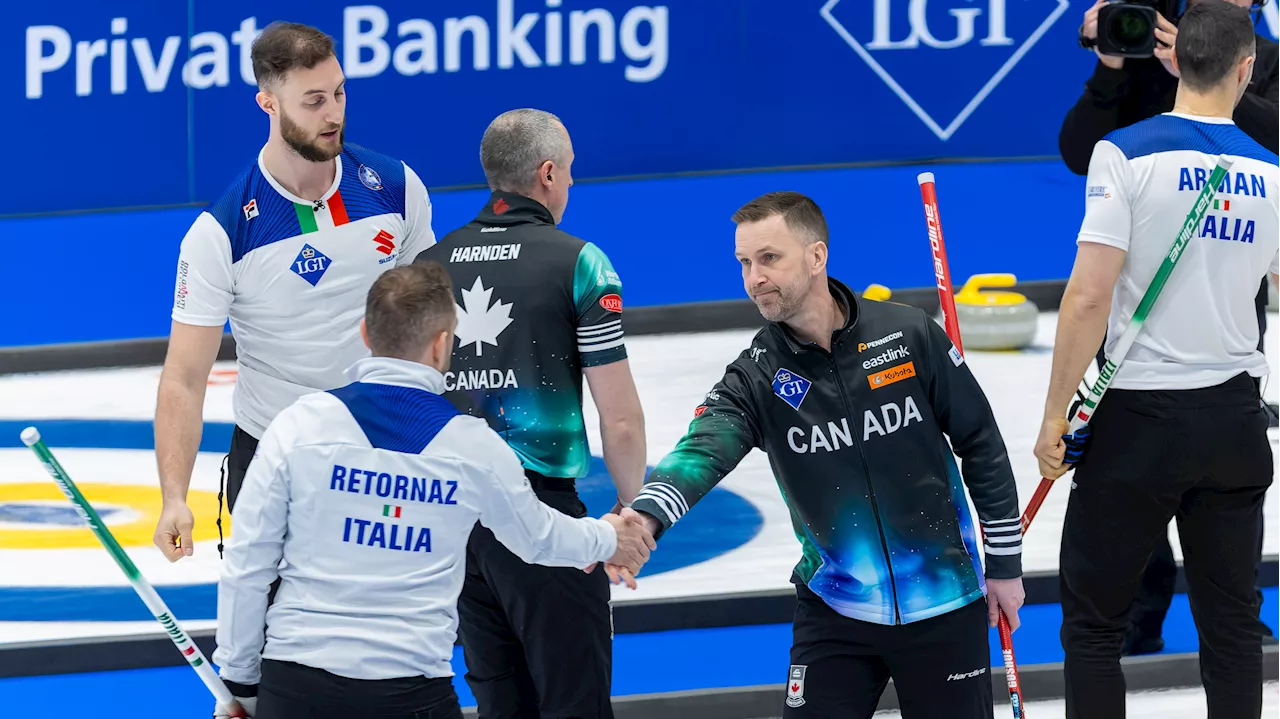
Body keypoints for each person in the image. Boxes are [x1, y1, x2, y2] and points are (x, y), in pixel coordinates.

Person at [620, 191, 1025, 718]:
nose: (753, 278)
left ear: (816, 256)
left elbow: (983, 445)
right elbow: (703, 451)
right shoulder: (756, 376)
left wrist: (1006, 566)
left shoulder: (908, 333)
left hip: (945, 600)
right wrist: (646, 518)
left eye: (769, 258)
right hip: (835, 608)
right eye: (744, 262)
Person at [211, 262, 655, 719]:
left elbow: (248, 564)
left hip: (296, 686)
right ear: (443, 343)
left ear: (365, 332)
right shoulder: (473, 445)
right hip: (410, 695)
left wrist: (240, 684)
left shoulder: (296, 426)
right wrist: (610, 538)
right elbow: (538, 539)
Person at [1035, 3, 1280, 716]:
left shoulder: (1126, 152)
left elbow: (1087, 298)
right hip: (1235, 423)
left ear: (1175, 60)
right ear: (1244, 69)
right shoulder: (1273, 166)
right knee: (1233, 630)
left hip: (1135, 422)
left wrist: (1055, 416)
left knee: (1092, 628)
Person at [152, 21, 437, 561]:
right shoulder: (222, 233)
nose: (333, 114)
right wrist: (174, 497)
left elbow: (429, 322)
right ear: (268, 103)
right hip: (278, 457)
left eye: (339, 93)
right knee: (286, 641)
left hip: (384, 443)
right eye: (313, 101)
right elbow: (184, 379)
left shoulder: (396, 187)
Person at [413, 108, 646, 719]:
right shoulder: (580, 262)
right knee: (576, 705)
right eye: (568, 173)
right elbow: (617, 416)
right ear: (547, 173)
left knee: (501, 707)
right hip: (546, 518)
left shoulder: (425, 267)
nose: (570, 185)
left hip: (452, 526)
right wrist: (629, 516)